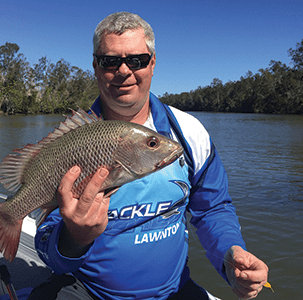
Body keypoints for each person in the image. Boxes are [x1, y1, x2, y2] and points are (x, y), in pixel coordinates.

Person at [29, 12, 268, 300]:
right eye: (110, 61)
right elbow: (47, 247)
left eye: (137, 60)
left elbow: (212, 209)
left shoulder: (188, 133)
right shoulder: (72, 143)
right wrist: (74, 238)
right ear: (95, 66)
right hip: (89, 292)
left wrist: (232, 254)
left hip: (174, 291)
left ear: (152, 63)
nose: (124, 70)